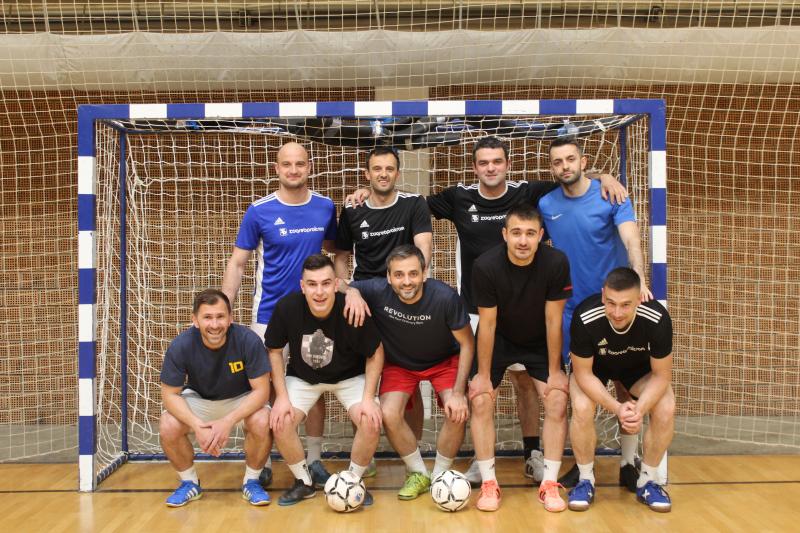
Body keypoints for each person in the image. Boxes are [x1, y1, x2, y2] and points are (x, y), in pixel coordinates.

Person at [539, 136, 652, 489]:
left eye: (570, 159)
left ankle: (628, 462)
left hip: (613, 308)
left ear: (583, 161)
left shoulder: (611, 195)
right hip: (573, 313)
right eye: (558, 162)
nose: (565, 166)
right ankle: (582, 464)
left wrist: (639, 277)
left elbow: (631, 239)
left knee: (625, 386)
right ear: (552, 167)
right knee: (582, 395)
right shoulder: (546, 203)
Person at [222, 141, 337, 489]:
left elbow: (334, 254)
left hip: (314, 316)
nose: (293, 170)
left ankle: (314, 460)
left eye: (300, 163)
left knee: (314, 386)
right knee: (266, 391)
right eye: (287, 164)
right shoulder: (259, 211)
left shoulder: (325, 207)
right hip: (268, 315)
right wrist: (225, 308)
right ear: (276, 168)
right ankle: (264, 462)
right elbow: (238, 262)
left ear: (309, 166)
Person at [342, 245, 482, 501]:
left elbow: (467, 343)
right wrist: (352, 292)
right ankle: (418, 472)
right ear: (388, 277)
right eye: (399, 275)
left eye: (413, 274)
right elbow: (339, 284)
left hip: (443, 361)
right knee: (387, 413)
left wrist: (459, 393)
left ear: (425, 273)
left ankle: (439, 474)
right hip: (400, 365)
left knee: (456, 410)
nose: (406, 281)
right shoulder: (376, 290)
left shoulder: (445, 297)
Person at [469, 203, 571, 512]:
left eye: (529, 233)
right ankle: (489, 483)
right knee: (481, 399)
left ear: (541, 235)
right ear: (504, 235)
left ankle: (549, 484)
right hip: (499, 338)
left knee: (556, 399)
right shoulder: (486, 265)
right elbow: (487, 324)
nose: (523, 241)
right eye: (516, 233)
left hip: (538, 340)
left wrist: (555, 370)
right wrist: (483, 376)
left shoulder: (556, 262)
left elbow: (553, 320)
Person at [334, 146, 432, 465]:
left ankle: (413, 453)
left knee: (409, 376)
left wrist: (411, 286)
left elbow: (424, 248)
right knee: (361, 378)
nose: (383, 174)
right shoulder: (353, 210)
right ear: (367, 174)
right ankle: (367, 457)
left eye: (389, 168)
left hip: (403, 297)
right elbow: (340, 256)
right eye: (377, 169)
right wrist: (347, 289)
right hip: (364, 299)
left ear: (398, 173)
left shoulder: (414, 204)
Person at [265, 254, 384, 506]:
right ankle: (304, 482)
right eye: (312, 284)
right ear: (302, 286)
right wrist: (281, 398)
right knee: (280, 420)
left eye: (326, 283)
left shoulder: (351, 308)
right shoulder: (287, 308)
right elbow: (274, 351)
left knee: (371, 420)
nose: (319, 292)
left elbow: (376, 352)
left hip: (349, 377)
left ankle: (352, 482)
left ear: (336, 284)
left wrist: (368, 398)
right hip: (303, 378)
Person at [566, 267, 674, 513]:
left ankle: (647, 481)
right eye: (611, 303)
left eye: (626, 305)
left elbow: (662, 376)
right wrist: (618, 408)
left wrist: (639, 410)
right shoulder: (585, 316)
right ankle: (585, 480)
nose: (617, 312)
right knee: (581, 406)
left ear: (639, 299)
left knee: (666, 406)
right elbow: (583, 374)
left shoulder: (657, 318)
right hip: (595, 369)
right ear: (603, 295)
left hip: (637, 370)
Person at [159, 289, 272, 507]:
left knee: (263, 420)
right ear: (195, 320)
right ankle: (189, 483)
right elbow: (169, 395)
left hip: (241, 399)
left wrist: (228, 421)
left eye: (220, 316)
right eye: (207, 317)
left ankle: (252, 482)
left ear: (230, 318)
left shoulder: (248, 340)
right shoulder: (181, 345)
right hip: (200, 400)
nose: (214, 324)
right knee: (168, 424)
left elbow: (262, 392)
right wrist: (197, 425)